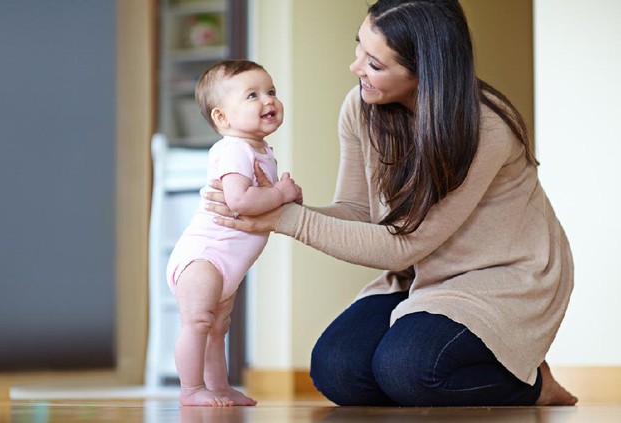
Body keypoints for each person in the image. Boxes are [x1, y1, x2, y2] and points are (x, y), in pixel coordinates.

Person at [205, 0, 578, 407]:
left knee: (409, 370)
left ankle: (534, 384)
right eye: (359, 48)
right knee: (337, 371)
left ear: (425, 74)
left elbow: (407, 243)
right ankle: (436, 361)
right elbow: (357, 213)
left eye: (375, 64)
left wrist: (283, 218)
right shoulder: (360, 107)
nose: (356, 68)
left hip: (501, 278)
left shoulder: (484, 126)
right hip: (419, 275)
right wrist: (269, 210)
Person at [166, 60, 302, 407]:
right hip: (204, 257)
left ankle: (219, 387)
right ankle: (191, 389)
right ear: (222, 118)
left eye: (271, 91)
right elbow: (240, 200)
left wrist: (284, 199)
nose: (268, 100)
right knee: (198, 322)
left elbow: (266, 207)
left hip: (226, 264)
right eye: (252, 95)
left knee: (217, 330)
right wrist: (282, 195)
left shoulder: (260, 150)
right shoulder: (233, 149)